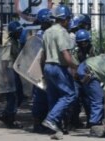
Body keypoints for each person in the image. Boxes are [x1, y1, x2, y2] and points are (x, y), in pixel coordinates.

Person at [41, 5, 77, 140]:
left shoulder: (47, 32)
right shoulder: (61, 32)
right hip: (58, 67)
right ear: (65, 19)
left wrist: (42, 71)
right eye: (68, 19)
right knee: (69, 94)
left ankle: (54, 129)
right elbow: (65, 53)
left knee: (54, 97)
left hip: (47, 67)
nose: (69, 22)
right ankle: (51, 119)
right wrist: (74, 66)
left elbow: (43, 55)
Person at [31, 8, 53, 133]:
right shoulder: (42, 35)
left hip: (42, 68)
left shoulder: (41, 34)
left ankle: (41, 123)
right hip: (40, 69)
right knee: (40, 97)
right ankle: (38, 123)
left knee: (44, 96)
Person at [0, 21, 24, 129]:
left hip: (15, 72)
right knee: (13, 96)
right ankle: (9, 117)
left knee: (19, 96)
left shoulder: (15, 42)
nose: (20, 33)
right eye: (18, 32)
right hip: (10, 72)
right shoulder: (9, 43)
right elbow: (4, 60)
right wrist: (4, 77)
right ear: (13, 32)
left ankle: (7, 114)